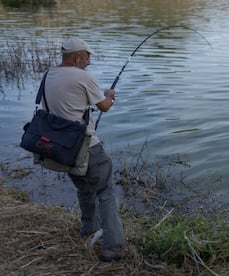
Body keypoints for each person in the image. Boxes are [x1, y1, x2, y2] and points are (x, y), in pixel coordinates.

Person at [42, 37, 124, 262]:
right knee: (106, 192)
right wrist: (109, 95)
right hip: (87, 147)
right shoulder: (83, 76)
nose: (89, 61)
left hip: (61, 148)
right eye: (87, 57)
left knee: (84, 188)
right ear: (77, 57)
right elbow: (104, 107)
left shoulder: (48, 75)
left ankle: (88, 230)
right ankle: (113, 248)